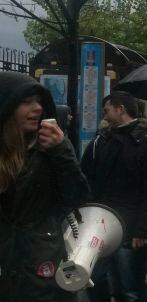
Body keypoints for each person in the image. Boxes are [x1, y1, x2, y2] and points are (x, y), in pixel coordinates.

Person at [0, 71, 89, 301]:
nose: (37, 108)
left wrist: (62, 151)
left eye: (39, 101)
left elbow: (77, 197)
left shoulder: (50, 148)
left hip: (41, 269)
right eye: (27, 102)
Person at [81, 91, 147, 302]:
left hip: (131, 230)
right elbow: (86, 181)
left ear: (120, 109)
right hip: (100, 227)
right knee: (95, 279)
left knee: (129, 289)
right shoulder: (99, 143)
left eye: (108, 110)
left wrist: (142, 230)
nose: (104, 115)